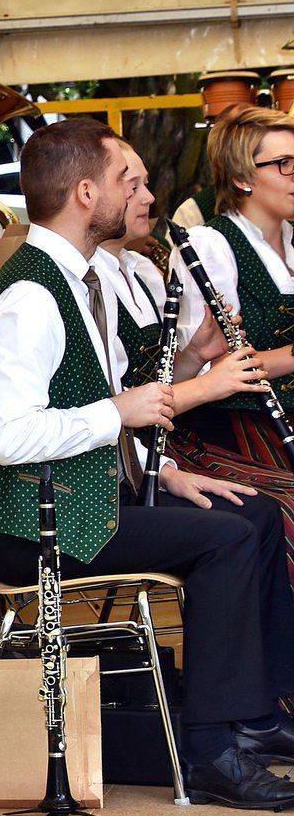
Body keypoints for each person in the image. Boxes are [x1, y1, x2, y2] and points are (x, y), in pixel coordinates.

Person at [0, 118, 294, 808]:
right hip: (30, 524)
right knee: (225, 541)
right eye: (127, 180)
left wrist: (165, 471)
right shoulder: (31, 296)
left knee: (256, 513)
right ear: (87, 193)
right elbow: (9, 439)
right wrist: (122, 411)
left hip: (83, 496)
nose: (142, 193)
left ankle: (258, 715)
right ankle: (211, 751)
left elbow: (104, 405)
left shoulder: (82, 279)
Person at [100, 138, 294, 544]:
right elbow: (120, 406)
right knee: (277, 510)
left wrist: (193, 355)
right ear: (88, 192)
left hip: (156, 441)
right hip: (148, 453)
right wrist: (208, 380)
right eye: (132, 186)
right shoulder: (85, 284)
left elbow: (159, 381)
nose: (150, 198)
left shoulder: (142, 271)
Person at [169, 105, 294, 464]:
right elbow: (215, 369)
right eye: (285, 163)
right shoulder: (211, 245)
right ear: (242, 178)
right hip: (239, 424)